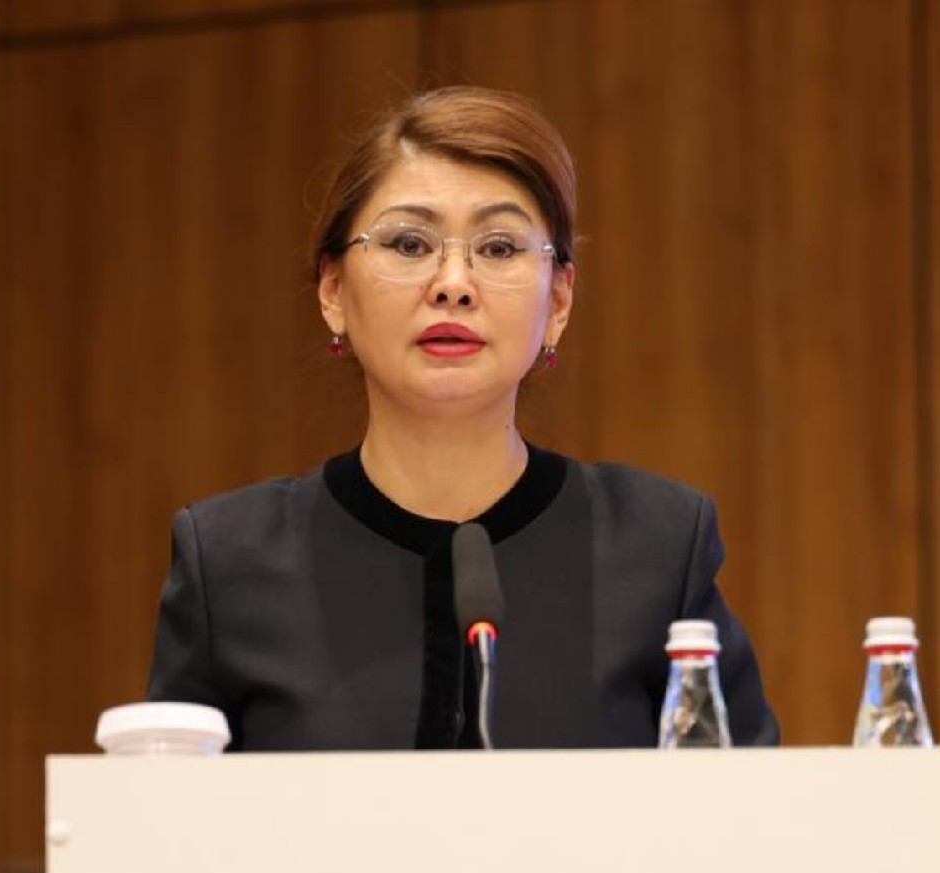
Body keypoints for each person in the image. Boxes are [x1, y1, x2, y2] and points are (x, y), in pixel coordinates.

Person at [146, 86, 777, 751]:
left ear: (559, 301)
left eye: (499, 248)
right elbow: (167, 811)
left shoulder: (656, 548)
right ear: (333, 291)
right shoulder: (231, 564)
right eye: (408, 243)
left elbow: (748, 805)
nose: (453, 283)